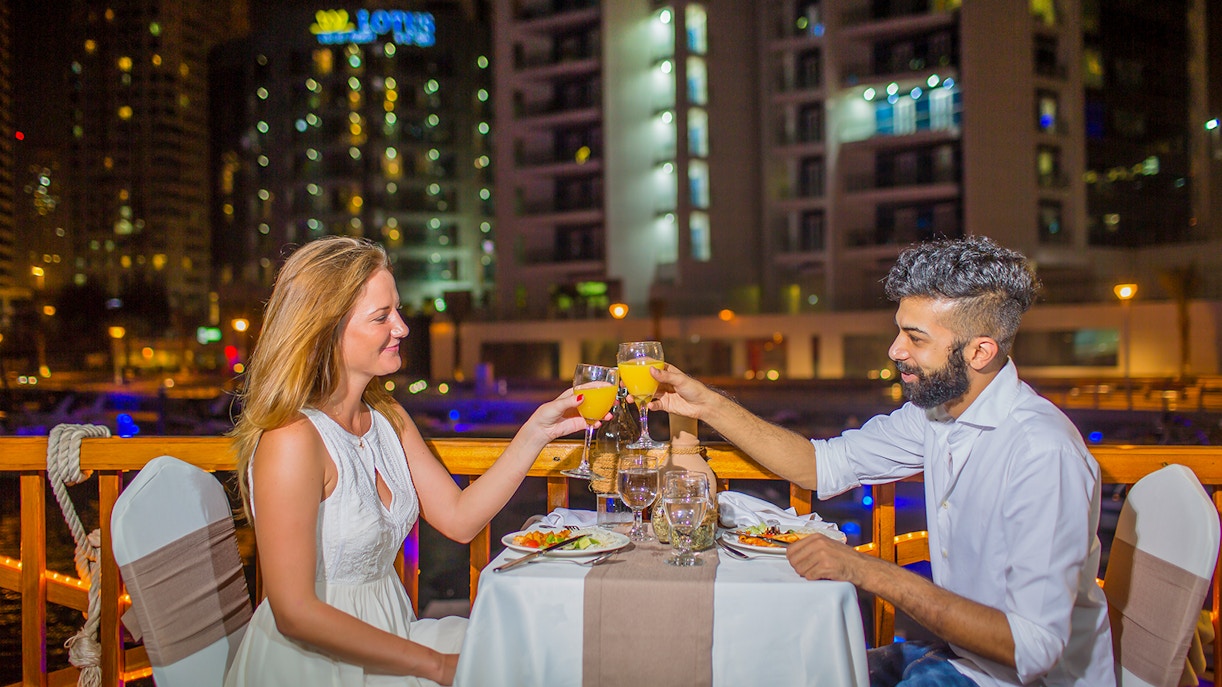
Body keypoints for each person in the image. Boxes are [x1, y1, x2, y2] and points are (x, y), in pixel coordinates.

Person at [649, 236, 1114, 686]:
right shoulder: (936, 415)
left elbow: (1032, 648)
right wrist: (707, 405)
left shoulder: (1042, 453)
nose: (895, 350)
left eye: (915, 338)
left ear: (980, 351)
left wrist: (865, 569)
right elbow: (819, 464)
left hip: (1024, 680)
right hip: (961, 658)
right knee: (792, 667)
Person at [224, 236, 592, 686]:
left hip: (392, 634)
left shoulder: (387, 418)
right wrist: (434, 666)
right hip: (317, 662)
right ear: (324, 331)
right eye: (382, 317)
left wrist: (537, 431)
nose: (402, 327)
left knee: (535, 653)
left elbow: (460, 520)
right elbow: (295, 613)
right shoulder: (293, 439)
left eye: (396, 310)